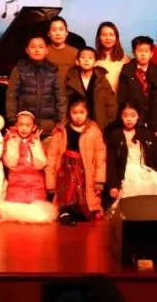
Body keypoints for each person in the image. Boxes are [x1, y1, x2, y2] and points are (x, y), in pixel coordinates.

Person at [44, 96, 106, 225]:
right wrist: (50, 183)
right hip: (65, 167)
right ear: (69, 113)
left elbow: (100, 158)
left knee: (83, 199)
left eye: (82, 112)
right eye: (74, 113)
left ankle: (81, 211)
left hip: (85, 169)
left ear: (87, 112)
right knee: (67, 189)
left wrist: (99, 181)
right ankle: (64, 212)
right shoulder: (61, 130)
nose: (78, 116)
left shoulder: (94, 131)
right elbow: (52, 156)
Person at [105, 100, 157, 209]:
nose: (129, 119)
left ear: (138, 116)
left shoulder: (146, 134)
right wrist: (113, 185)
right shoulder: (115, 136)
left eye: (132, 115)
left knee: (153, 194)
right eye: (125, 115)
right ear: (120, 116)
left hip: (144, 170)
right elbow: (111, 164)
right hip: (125, 173)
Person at [0, 111, 57, 224]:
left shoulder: (37, 142)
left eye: (28, 125)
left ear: (33, 127)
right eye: (21, 125)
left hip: (35, 188)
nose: (24, 128)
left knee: (40, 216)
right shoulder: (11, 141)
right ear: (16, 125)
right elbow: (10, 164)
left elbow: (40, 164)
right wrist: (13, 144)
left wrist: (35, 144)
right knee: (12, 213)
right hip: (16, 188)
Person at [6, 34, 65, 134]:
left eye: (41, 47)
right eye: (33, 47)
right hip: (24, 126)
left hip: (48, 125)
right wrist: (12, 120)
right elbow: (11, 96)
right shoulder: (19, 69)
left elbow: (61, 97)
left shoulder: (53, 70)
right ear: (27, 50)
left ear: (46, 50)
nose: (37, 50)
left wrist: (61, 121)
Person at [118, 35, 157, 131]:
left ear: (151, 53)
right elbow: (123, 98)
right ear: (133, 53)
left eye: (146, 51)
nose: (143, 54)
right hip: (133, 121)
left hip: (155, 121)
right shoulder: (126, 71)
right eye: (139, 51)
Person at [63, 46, 117, 129]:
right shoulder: (70, 79)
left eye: (90, 58)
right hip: (76, 124)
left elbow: (110, 104)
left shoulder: (101, 79)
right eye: (83, 57)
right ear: (77, 61)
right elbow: (64, 101)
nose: (86, 60)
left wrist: (111, 124)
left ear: (95, 62)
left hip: (98, 123)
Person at [94, 22, 130, 95]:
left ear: (116, 37)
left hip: (120, 99)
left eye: (111, 35)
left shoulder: (125, 59)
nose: (108, 38)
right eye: (104, 35)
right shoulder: (94, 59)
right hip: (100, 99)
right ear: (99, 37)